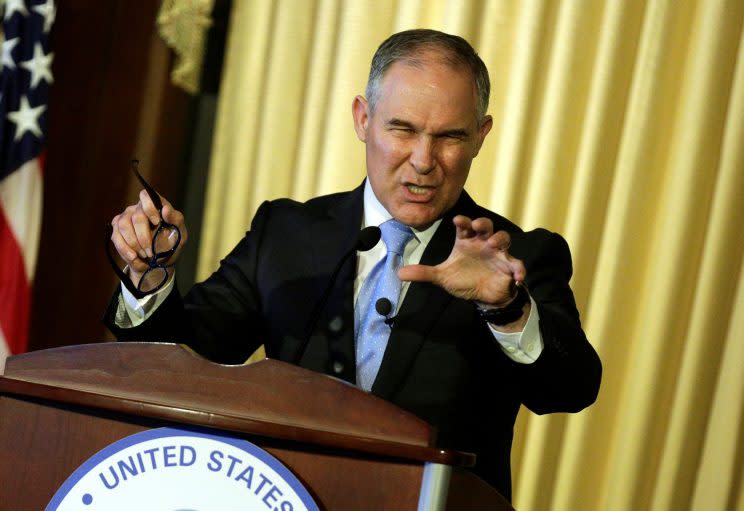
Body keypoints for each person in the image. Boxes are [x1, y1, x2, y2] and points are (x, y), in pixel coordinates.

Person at [105, 29, 601, 501]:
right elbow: (184, 362)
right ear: (363, 118)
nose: (424, 161)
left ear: (480, 136)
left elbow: (571, 389)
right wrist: (149, 276)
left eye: (450, 136)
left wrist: (507, 309)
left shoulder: (516, 257)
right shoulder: (287, 233)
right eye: (403, 129)